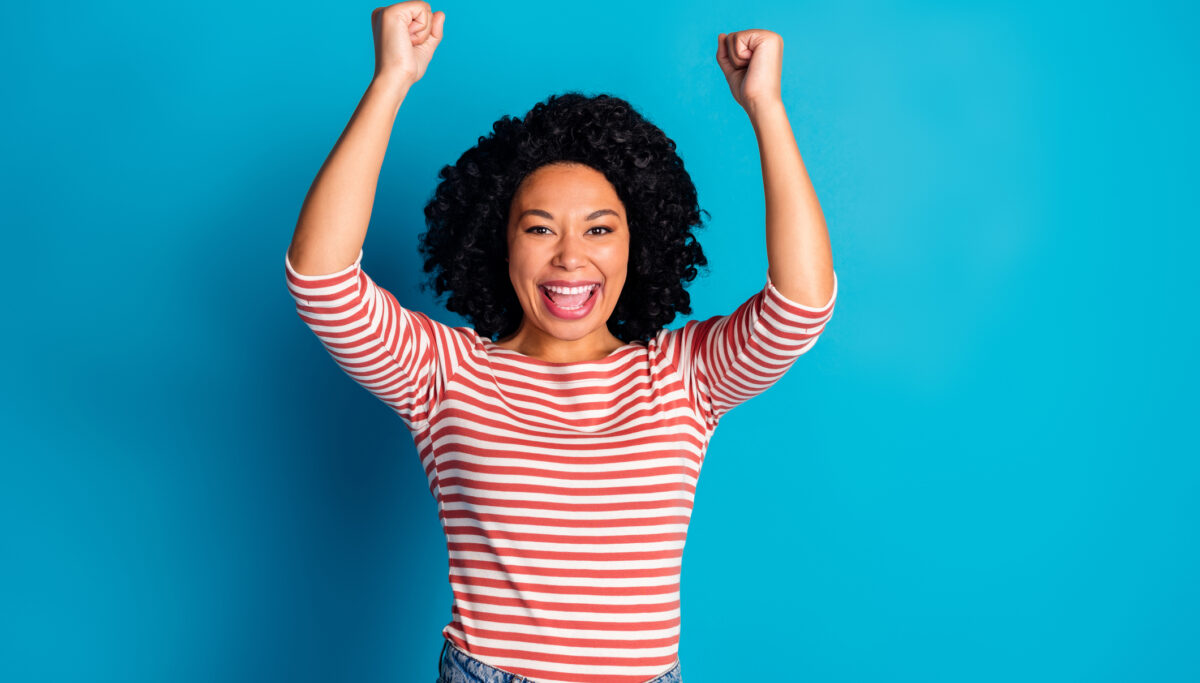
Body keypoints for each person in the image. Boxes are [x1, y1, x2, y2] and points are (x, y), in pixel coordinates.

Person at [284, 3, 837, 682]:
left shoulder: (682, 373)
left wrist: (767, 108)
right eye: (540, 228)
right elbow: (321, 280)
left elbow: (801, 304)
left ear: (639, 245)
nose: (571, 257)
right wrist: (392, 78)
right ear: (499, 241)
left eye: (600, 229)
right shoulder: (445, 372)